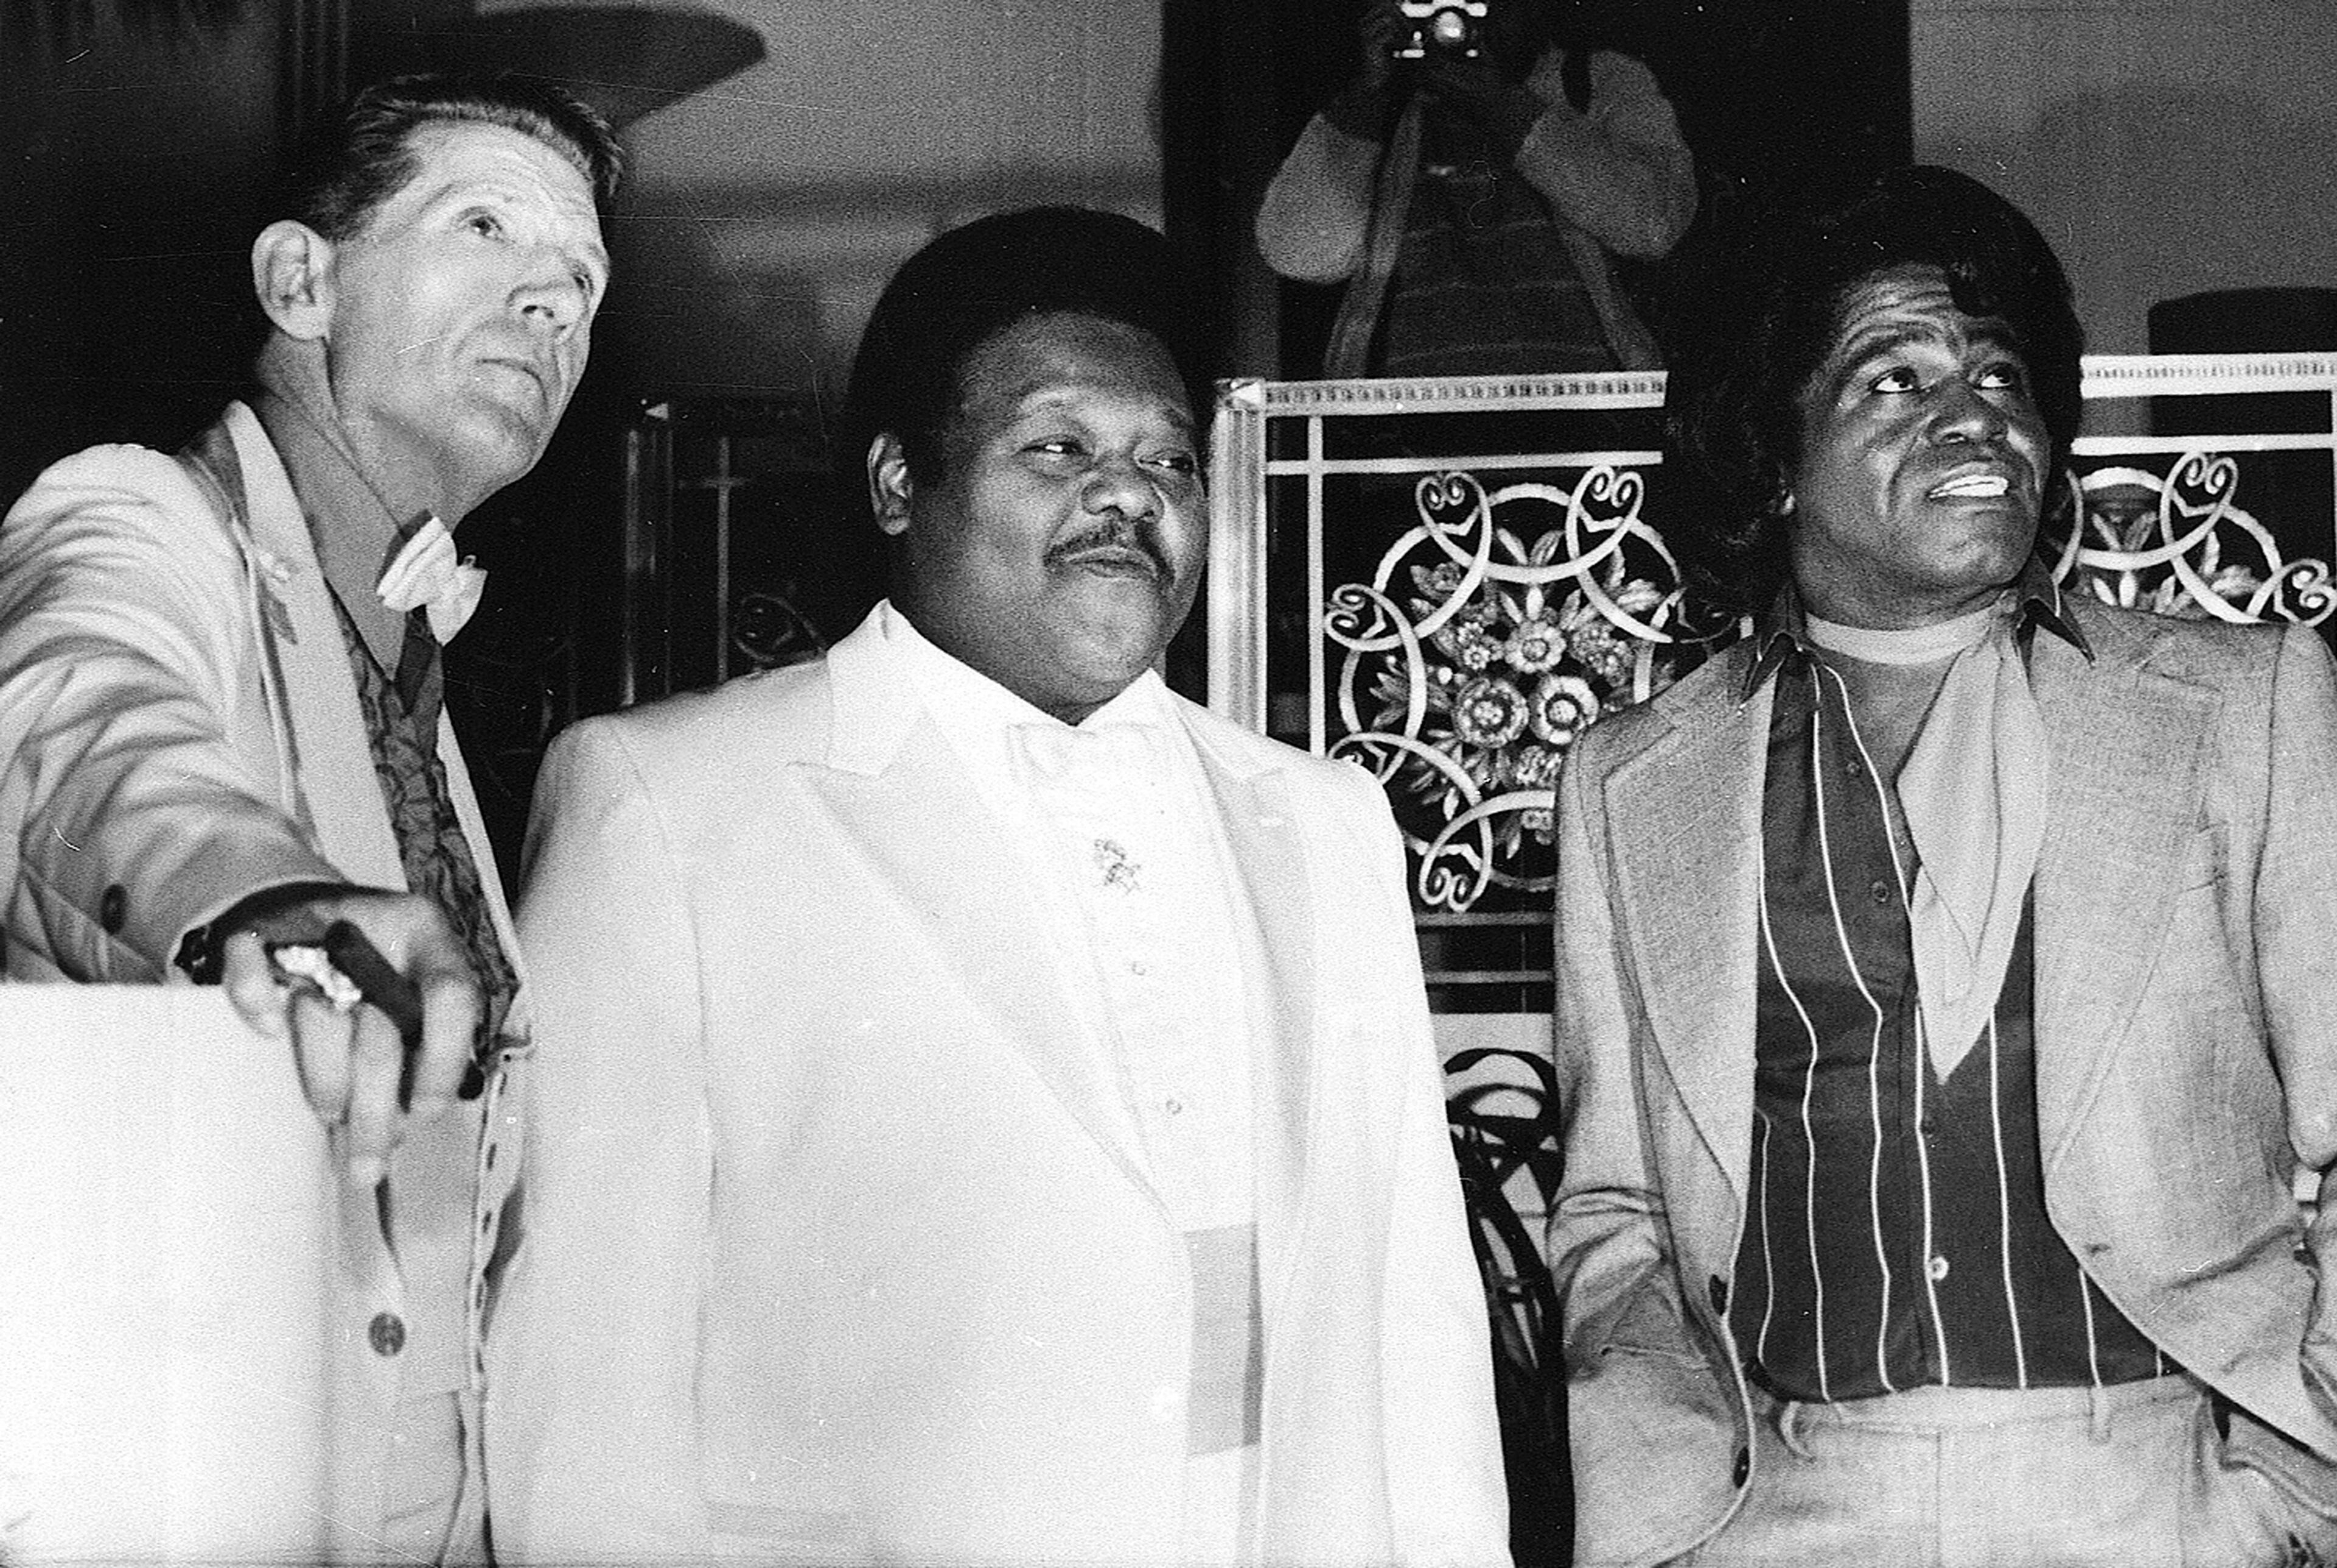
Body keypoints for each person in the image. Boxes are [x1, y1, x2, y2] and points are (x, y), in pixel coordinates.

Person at [489, 205, 1511, 1567]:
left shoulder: (1325, 821)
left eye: (1165, 458)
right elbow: (584, 1378)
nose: (1129, 495)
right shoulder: (668, 804)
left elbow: (1414, 1328)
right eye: (1058, 448)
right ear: (902, 483)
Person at [1543, 163, 2337, 1567]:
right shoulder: (1630, 777)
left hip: (2165, 1494)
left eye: (1998, 376)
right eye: (1891, 382)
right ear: (1776, 453)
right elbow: (1616, 1212)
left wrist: (2287, 1491)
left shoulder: (2244, 706)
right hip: (1776, 1506)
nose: (1973, 413)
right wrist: (1662, 1518)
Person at [0, 74, 619, 1564]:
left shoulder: (413, 649)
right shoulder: (142, 517)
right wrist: (260, 903)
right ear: (302, 280)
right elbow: (69, 719)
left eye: (585, 282)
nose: (552, 300)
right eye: (488, 226)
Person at [1254, 0, 1694, 377]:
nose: (1459, 20)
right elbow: (1298, 254)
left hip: (1586, 410)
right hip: (1405, 421)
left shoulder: (1597, 81)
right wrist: (1365, 100)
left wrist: (1505, 106)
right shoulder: (1380, 104)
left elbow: (1653, 224)